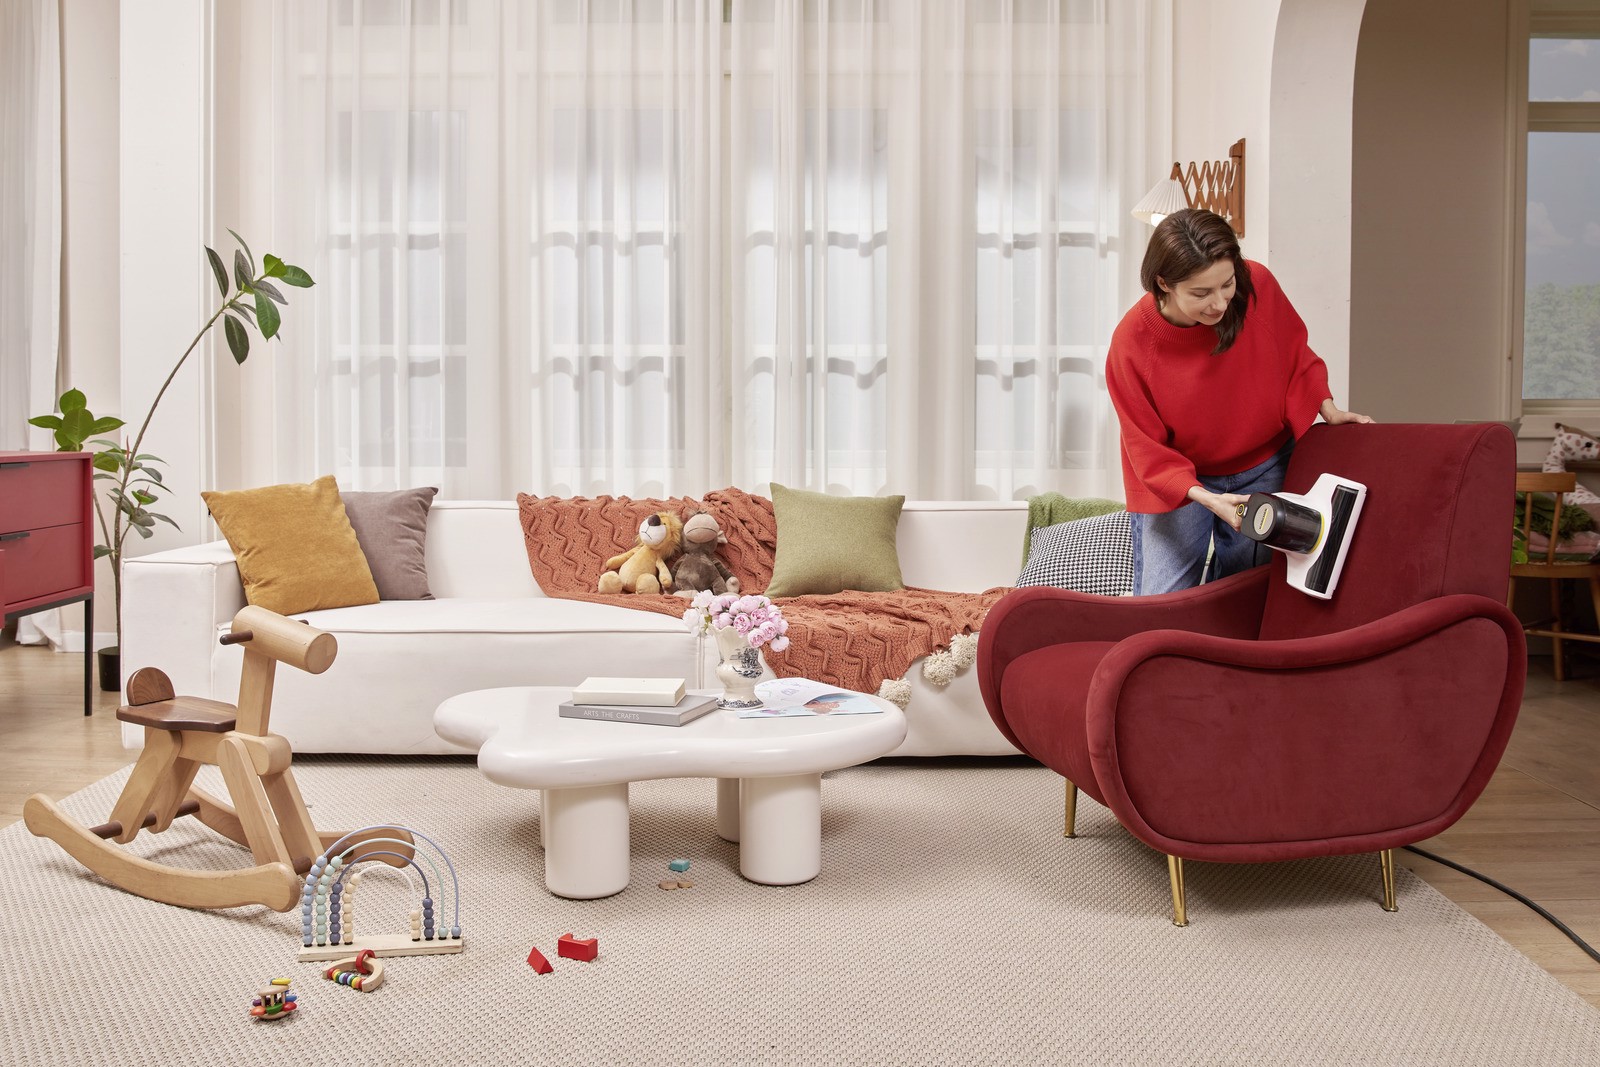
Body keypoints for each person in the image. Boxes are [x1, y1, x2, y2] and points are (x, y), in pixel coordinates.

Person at [1106, 208, 1372, 595]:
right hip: (1182, 479)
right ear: (1164, 283)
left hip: (1264, 465)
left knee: (1243, 594)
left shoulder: (1257, 283)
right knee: (1161, 602)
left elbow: (1294, 352)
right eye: (1201, 293)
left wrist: (1327, 408)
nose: (1219, 304)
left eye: (1226, 284)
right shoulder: (1131, 342)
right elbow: (1145, 446)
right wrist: (1209, 500)